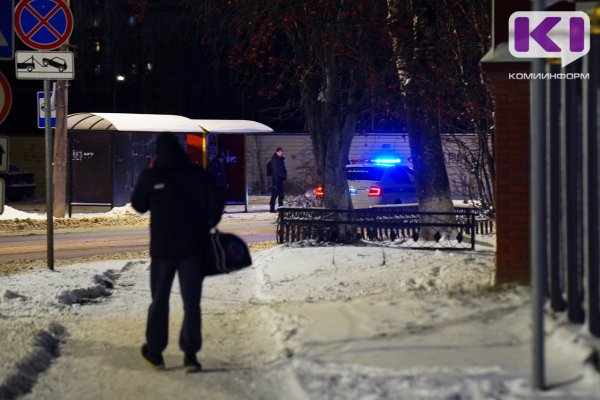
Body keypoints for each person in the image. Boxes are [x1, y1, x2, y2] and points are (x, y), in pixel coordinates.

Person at [131, 133, 224, 373]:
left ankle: (155, 352)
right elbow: (217, 200)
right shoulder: (196, 174)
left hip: (162, 250)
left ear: (158, 153)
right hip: (194, 248)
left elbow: (139, 205)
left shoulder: (152, 176)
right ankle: (190, 356)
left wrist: (151, 177)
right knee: (191, 302)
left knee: (159, 300)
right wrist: (208, 224)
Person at [269, 147, 287, 213]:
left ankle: (281, 208)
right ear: (277, 152)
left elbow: (283, 169)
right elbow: (275, 170)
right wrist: (282, 175)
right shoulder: (274, 160)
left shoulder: (281, 159)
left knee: (281, 194)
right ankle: (272, 208)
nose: (281, 153)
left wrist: (284, 175)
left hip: (280, 179)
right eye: (280, 151)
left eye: (282, 151)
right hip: (276, 180)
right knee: (274, 194)